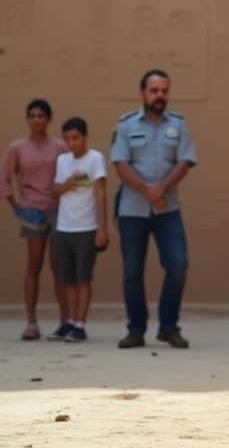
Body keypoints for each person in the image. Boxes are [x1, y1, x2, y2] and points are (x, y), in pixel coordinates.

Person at [111, 69, 198, 349]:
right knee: (132, 273)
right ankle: (136, 329)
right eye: (154, 90)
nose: (159, 95)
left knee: (177, 265)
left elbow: (185, 161)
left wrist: (162, 189)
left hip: (167, 209)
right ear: (143, 93)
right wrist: (149, 190)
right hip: (132, 210)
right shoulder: (126, 125)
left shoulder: (179, 125)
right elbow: (120, 164)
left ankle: (168, 327)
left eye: (164, 90)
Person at [0, 98, 70, 340]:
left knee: (59, 268)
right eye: (33, 116)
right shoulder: (17, 147)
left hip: (58, 211)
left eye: (41, 116)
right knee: (33, 266)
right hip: (32, 212)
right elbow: (3, 178)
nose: (37, 120)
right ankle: (31, 323)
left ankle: (65, 321)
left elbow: (73, 173)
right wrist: (15, 205)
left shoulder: (60, 147)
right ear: (27, 119)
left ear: (49, 119)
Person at [51, 117, 108, 343]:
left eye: (75, 138)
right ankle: (70, 322)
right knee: (67, 280)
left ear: (85, 136)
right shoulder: (62, 160)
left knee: (83, 278)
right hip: (64, 227)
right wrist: (68, 184)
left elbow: (101, 192)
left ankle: (80, 324)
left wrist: (102, 228)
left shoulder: (95, 159)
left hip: (86, 228)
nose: (71, 143)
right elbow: (56, 190)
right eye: (67, 139)